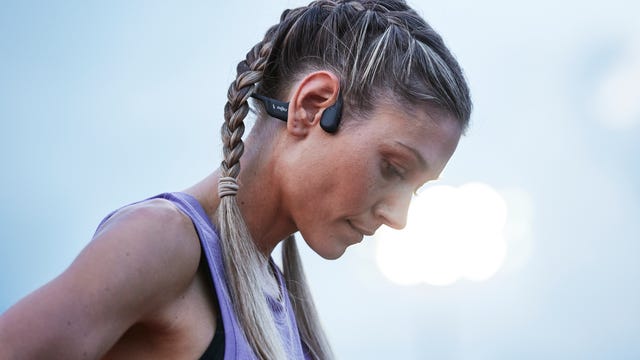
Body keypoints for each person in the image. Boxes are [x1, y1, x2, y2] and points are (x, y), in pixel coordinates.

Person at [0, 0, 471, 359]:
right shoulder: (164, 243)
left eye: (416, 188)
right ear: (312, 107)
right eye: (393, 168)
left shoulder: (285, 311)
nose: (399, 216)